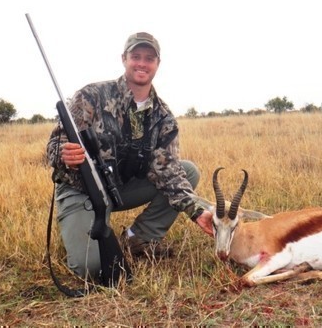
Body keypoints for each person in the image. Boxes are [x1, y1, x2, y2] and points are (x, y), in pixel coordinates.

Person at [46, 32, 213, 280]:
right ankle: (83, 227)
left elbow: (167, 170)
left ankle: (137, 239)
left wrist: (197, 212)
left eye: (149, 58)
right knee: (90, 269)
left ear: (158, 64)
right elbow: (54, 145)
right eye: (136, 56)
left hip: (119, 190)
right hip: (80, 189)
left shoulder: (163, 116)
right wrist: (64, 153)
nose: (142, 64)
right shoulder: (91, 95)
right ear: (124, 59)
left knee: (187, 171)